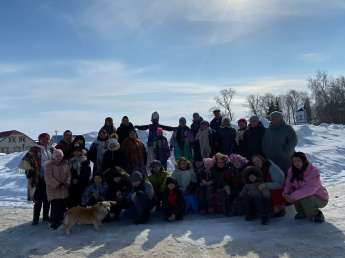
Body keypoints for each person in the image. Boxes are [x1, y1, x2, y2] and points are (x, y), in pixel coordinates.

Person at [17, 133, 54, 225]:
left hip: (50, 177)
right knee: (37, 198)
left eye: (47, 139)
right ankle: (35, 219)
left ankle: (46, 217)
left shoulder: (52, 149)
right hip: (38, 176)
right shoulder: (33, 150)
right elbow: (26, 162)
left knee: (47, 197)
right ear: (39, 140)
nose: (45, 140)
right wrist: (29, 174)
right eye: (43, 139)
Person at [283, 152, 328, 223]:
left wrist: (292, 196)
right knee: (292, 192)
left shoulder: (313, 171)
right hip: (303, 195)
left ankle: (317, 214)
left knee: (304, 196)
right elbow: (288, 185)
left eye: (298, 160)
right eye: (294, 161)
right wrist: (286, 195)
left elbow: (310, 190)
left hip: (320, 198)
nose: (296, 163)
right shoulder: (291, 171)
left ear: (303, 160)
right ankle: (302, 213)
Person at [262, 111, 298, 175]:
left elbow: (293, 140)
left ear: (280, 119)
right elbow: (264, 141)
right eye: (272, 119)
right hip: (271, 157)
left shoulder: (287, 128)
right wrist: (265, 150)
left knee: (286, 174)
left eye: (276, 118)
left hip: (284, 158)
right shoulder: (268, 130)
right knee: (274, 175)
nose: (274, 120)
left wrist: (287, 150)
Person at [44, 149, 71, 229]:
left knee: (62, 207)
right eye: (56, 156)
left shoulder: (65, 164)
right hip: (53, 190)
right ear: (53, 157)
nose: (58, 157)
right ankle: (53, 222)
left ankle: (61, 221)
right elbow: (48, 178)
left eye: (60, 155)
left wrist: (66, 183)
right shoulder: (49, 165)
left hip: (64, 189)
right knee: (55, 207)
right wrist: (58, 185)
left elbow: (68, 175)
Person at [67, 144, 91, 208]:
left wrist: (79, 180)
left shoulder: (85, 161)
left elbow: (87, 173)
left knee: (82, 203)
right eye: (75, 151)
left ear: (81, 152)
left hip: (82, 185)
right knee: (72, 203)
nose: (76, 152)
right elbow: (67, 173)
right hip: (72, 185)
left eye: (78, 151)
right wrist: (72, 180)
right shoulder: (70, 161)